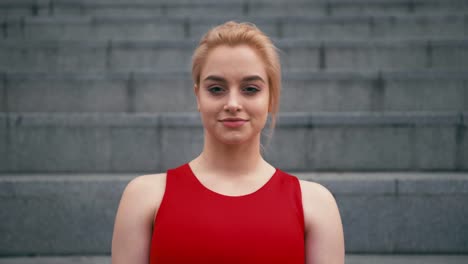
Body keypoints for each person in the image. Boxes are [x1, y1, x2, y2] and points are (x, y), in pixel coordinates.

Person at [111, 21, 344, 264]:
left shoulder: (315, 204)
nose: (233, 103)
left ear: (271, 98)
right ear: (197, 96)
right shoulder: (144, 197)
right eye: (216, 89)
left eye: (250, 89)